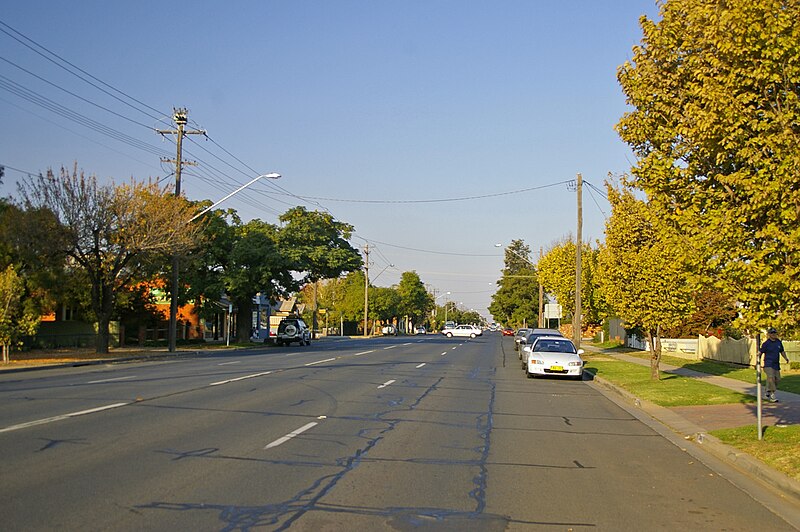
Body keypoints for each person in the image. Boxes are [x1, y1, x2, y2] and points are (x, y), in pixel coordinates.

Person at [759, 327, 789, 403]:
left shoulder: (778, 342)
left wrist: (786, 358)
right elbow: (761, 352)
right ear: (769, 334)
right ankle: (772, 394)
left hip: (776, 364)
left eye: (774, 333)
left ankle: (767, 391)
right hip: (768, 364)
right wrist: (758, 361)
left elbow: (782, 351)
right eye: (772, 333)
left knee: (777, 379)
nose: (773, 334)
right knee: (771, 377)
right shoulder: (766, 344)